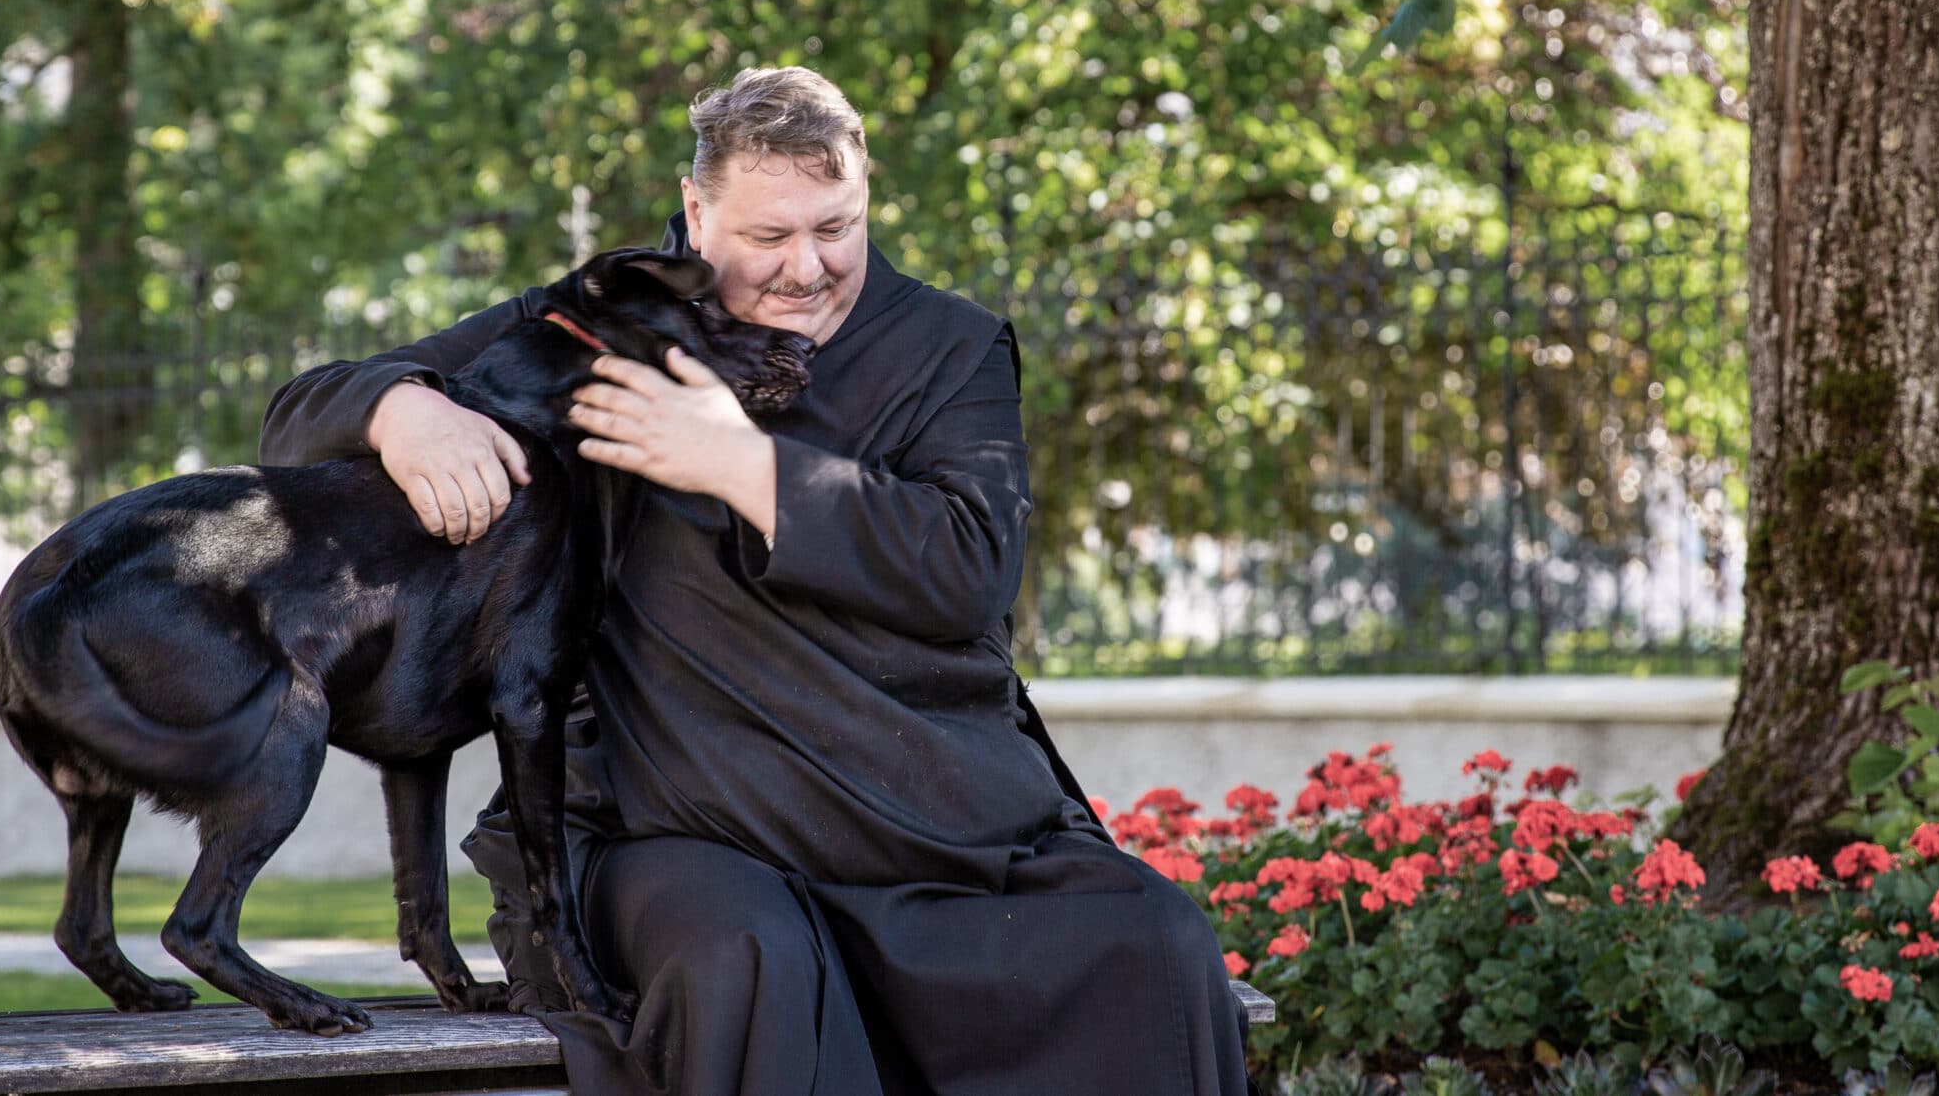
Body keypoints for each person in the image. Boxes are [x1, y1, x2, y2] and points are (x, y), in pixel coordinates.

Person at [259, 65, 1251, 1096]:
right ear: (696, 210)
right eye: (768, 238)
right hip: (670, 828)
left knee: (1145, 938)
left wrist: (740, 464)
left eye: (836, 226)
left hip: (921, 821)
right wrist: (400, 407)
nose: (808, 268)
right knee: (746, 955)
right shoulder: (606, 319)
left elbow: (967, 567)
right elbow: (297, 414)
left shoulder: (951, 348)